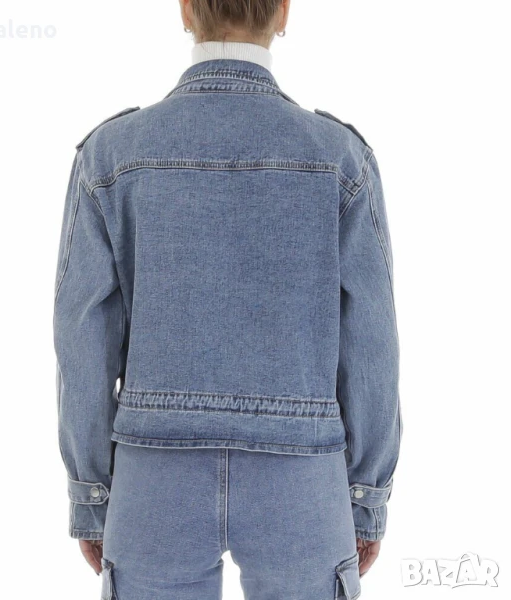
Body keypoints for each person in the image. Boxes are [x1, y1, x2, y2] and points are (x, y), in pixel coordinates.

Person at [52, 1, 402, 598]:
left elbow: (82, 336)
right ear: (283, 12)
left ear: (186, 10)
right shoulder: (339, 157)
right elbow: (372, 338)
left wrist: (93, 493)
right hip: (302, 471)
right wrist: (365, 494)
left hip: (153, 472)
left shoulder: (111, 154)